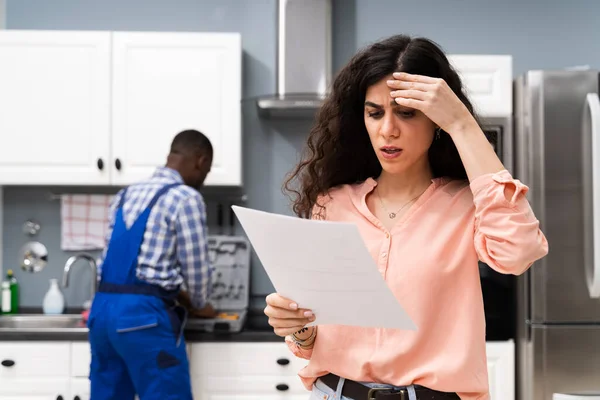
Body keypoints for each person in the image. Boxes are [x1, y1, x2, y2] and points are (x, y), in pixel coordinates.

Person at [264, 35, 549, 400]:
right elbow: (317, 339)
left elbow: (519, 252)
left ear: (437, 120)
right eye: (375, 112)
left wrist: (462, 123)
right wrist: (298, 328)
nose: (388, 130)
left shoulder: (470, 205)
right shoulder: (331, 205)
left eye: (407, 112)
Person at [87, 129, 217, 400]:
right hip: (143, 320)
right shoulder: (185, 197)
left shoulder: (125, 195)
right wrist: (199, 302)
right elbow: (197, 270)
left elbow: (123, 268)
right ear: (201, 161)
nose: (203, 179)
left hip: (102, 315)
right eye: (206, 171)